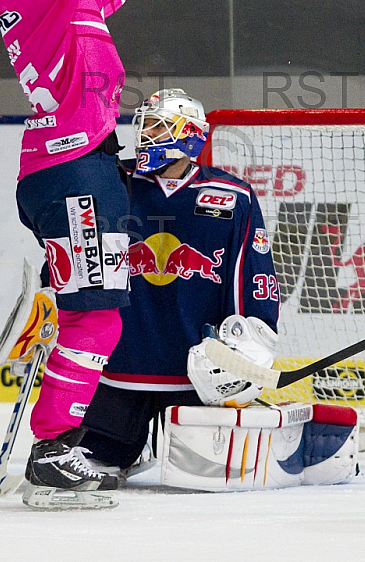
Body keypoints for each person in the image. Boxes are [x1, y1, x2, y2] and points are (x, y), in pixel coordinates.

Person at [0, 0, 134, 509]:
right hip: (71, 165)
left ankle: (56, 444)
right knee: (97, 312)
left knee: (96, 307)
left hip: (79, 164)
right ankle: (53, 451)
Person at [79, 88, 281, 474]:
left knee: (208, 474)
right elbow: (78, 243)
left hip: (198, 374)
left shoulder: (231, 195)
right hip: (120, 367)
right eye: (144, 128)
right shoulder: (114, 183)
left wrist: (250, 341)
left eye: (156, 127)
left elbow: (251, 273)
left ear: (188, 135)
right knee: (99, 462)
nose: (144, 137)